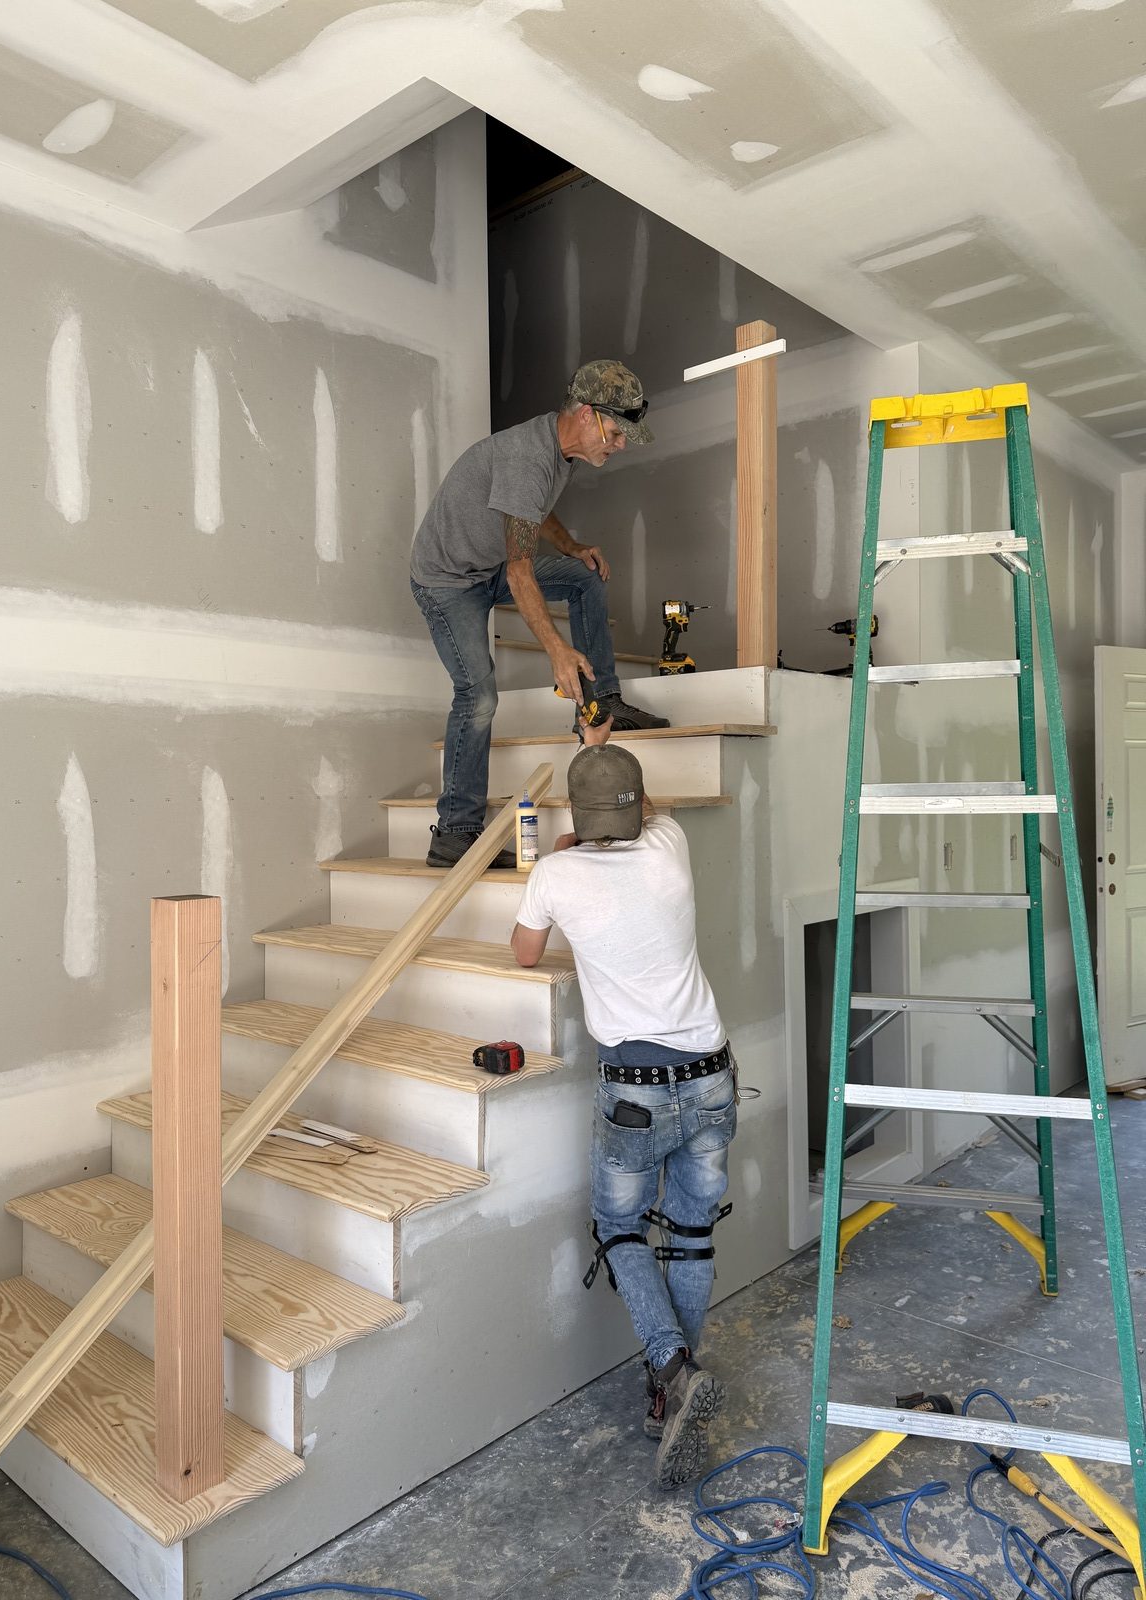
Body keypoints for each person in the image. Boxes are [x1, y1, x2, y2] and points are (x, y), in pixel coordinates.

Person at [510, 717, 749, 1490]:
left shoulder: (555, 873)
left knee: (619, 1226)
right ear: (640, 806)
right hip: (711, 1073)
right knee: (689, 1232)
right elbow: (653, 808)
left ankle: (674, 1367)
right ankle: (666, 1398)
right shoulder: (670, 847)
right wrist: (605, 749)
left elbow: (523, 952)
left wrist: (564, 856)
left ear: (577, 822)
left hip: (635, 1092)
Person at [410, 359, 668, 870]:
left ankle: (603, 700)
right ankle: (455, 832)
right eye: (615, 434)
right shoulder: (527, 458)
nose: (617, 447)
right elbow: (521, 573)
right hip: (447, 582)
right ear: (587, 415)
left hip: (486, 566)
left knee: (585, 575)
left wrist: (571, 546)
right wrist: (557, 649)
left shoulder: (558, 453)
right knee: (478, 694)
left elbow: (531, 509)